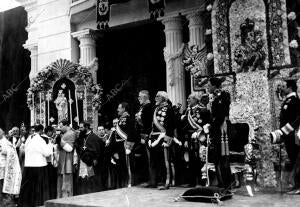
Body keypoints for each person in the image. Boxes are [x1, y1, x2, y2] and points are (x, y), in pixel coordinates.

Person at [181, 93, 211, 187]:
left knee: (200, 159)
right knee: (190, 159)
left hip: (200, 137)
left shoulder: (203, 110)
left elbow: (207, 125)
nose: (187, 100)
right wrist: (186, 139)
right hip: (189, 137)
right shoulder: (187, 111)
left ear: (195, 99)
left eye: (189, 98)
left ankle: (201, 182)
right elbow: (184, 127)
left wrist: (199, 133)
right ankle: (192, 181)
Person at [207, 77, 232, 189]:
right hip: (217, 130)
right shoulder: (216, 97)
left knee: (222, 157)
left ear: (214, 86)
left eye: (209, 85)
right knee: (217, 157)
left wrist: (211, 126)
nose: (207, 87)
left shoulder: (222, 96)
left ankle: (225, 184)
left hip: (222, 131)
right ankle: (222, 183)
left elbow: (220, 116)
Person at [19, 125, 52, 207]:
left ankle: (26, 202)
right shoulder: (41, 140)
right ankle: (38, 203)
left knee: (29, 186)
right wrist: (50, 145)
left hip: (28, 165)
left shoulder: (29, 138)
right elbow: (47, 153)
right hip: (39, 165)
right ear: (41, 131)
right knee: (38, 186)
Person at [149, 91, 176, 190]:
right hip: (155, 138)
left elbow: (172, 124)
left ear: (164, 98)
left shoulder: (168, 108)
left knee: (165, 161)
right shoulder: (156, 108)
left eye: (158, 96)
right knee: (157, 161)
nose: (155, 98)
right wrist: (150, 138)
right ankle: (159, 181)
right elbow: (153, 125)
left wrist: (168, 137)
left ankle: (167, 182)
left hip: (164, 137)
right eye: (156, 96)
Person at [277, 80, 300, 194]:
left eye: (284, 86)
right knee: (293, 158)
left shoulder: (294, 100)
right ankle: (296, 185)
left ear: (290, 88)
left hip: (293, 134)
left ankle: (298, 186)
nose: (282, 88)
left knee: (296, 159)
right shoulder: (288, 100)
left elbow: (296, 119)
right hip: (287, 135)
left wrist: (285, 131)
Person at [74, 122, 105, 195]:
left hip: (92, 164)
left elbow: (99, 150)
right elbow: (78, 146)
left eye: (81, 127)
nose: (80, 129)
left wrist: (95, 158)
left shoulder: (94, 137)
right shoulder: (82, 136)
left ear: (86, 127)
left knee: (92, 182)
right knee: (83, 181)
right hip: (82, 162)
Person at [110, 102, 135, 188]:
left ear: (124, 109)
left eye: (119, 108)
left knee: (127, 165)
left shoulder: (128, 119)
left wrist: (129, 146)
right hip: (120, 147)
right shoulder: (121, 119)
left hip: (125, 145)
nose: (117, 109)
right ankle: (124, 183)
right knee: (122, 166)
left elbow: (131, 132)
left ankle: (129, 182)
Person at [135, 90, 154, 186]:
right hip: (142, 136)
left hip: (147, 136)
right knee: (145, 159)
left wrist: (145, 135)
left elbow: (149, 123)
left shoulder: (149, 107)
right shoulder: (142, 107)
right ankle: (148, 179)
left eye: (140, 97)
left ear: (145, 97)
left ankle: (152, 180)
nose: (138, 99)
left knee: (150, 159)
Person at [0, 128, 22, 206]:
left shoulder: (6, 142)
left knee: (4, 190)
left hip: (4, 169)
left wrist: (2, 150)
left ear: (1, 133)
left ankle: (8, 204)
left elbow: (11, 152)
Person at [57, 120, 76, 198]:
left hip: (67, 160)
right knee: (62, 182)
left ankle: (67, 199)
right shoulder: (64, 133)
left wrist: (60, 141)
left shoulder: (71, 133)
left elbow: (70, 148)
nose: (59, 128)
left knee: (67, 183)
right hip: (62, 160)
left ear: (66, 125)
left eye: (61, 126)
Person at [41, 126, 58, 199]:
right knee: (49, 181)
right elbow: (48, 151)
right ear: (48, 132)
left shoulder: (47, 139)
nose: (53, 133)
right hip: (47, 162)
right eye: (52, 132)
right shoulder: (45, 139)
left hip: (48, 162)